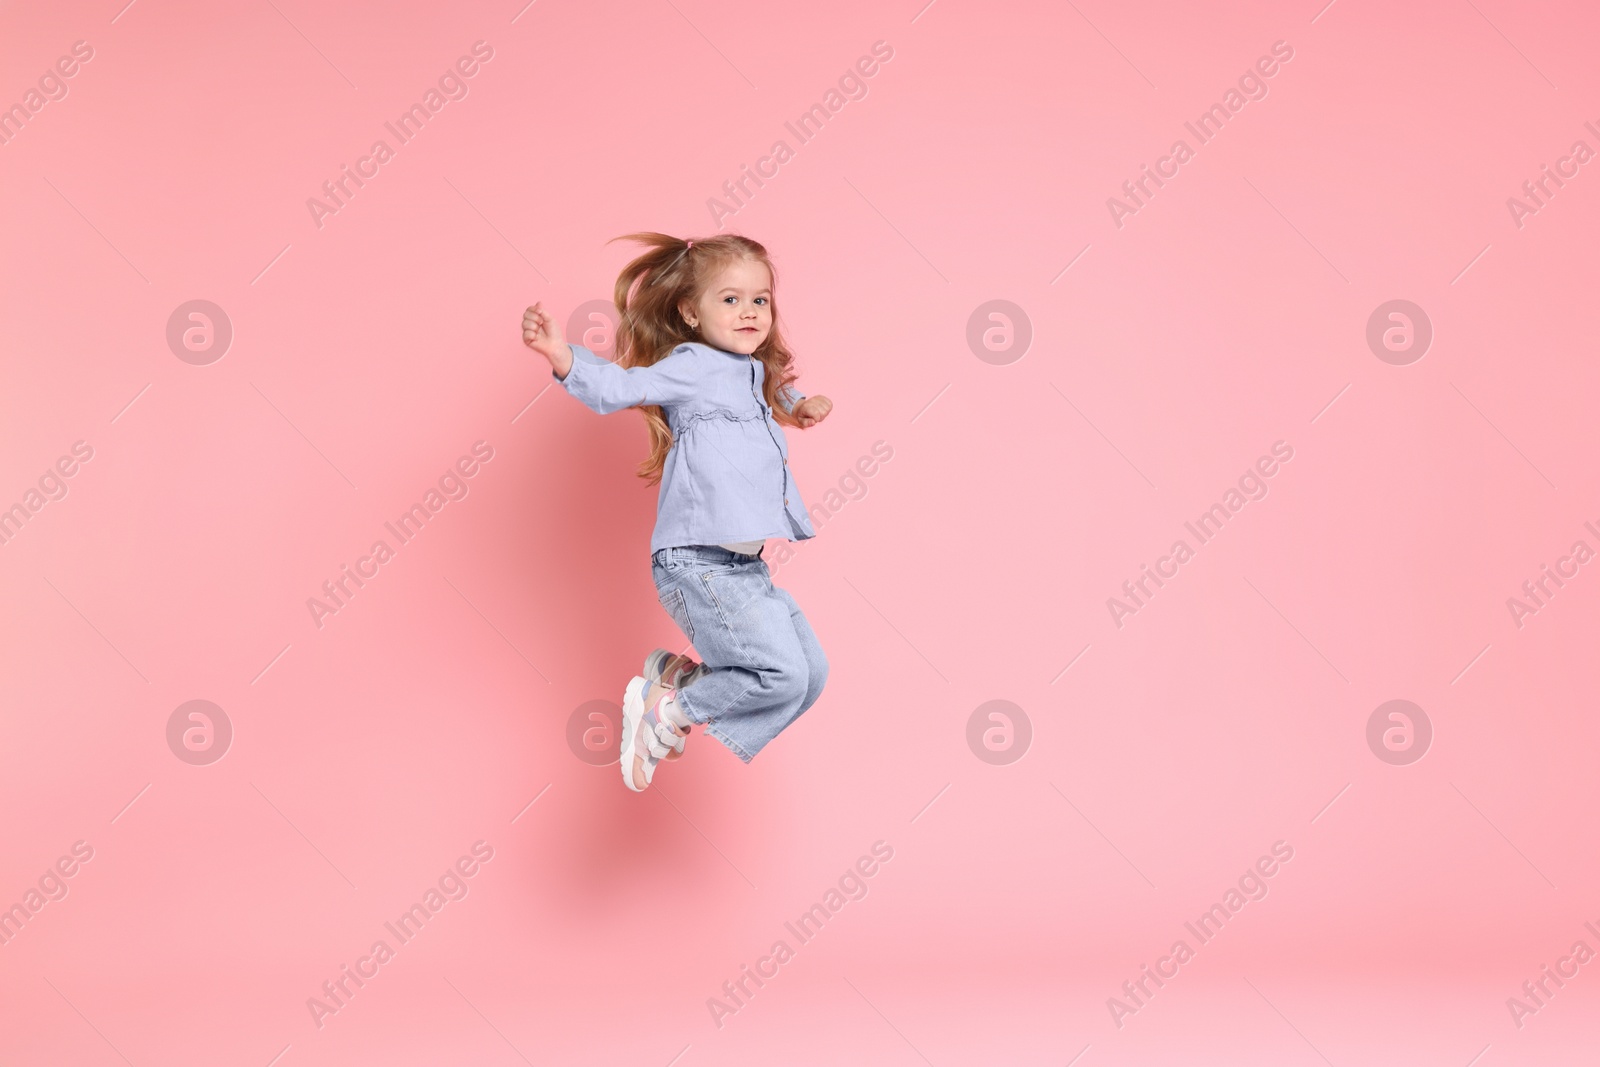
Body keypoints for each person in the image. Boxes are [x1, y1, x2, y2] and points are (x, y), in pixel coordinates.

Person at [521, 232, 834, 792]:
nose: (749, 312)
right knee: (781, 674)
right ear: (690, 312)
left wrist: (800, 406)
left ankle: (680, 677)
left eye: (759, 300)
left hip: (744, 568)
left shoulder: (754, 371)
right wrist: (563, 356)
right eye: (730, 299)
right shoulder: (691, 365)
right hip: (698, 561)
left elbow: (773, 389)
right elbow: (622, 386)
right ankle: (667, 711)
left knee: (811, 675)